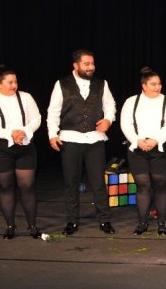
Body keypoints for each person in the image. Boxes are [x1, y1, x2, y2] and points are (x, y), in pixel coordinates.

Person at [47, 49, 117, 235]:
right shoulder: (62, 84)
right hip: (70, 139)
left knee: (98, 182)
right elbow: (53, 110)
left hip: (94, 139)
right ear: (75, 65)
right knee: (71, 182)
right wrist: (52, 134)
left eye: (92, 64)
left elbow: (110, 105)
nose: (91, 67)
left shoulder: (101, 84)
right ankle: (72, 221)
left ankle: (104, 220)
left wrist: (108, 120)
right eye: (86, 64)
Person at [0, 65, 42, 239]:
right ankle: (10, 226)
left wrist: (25, 131)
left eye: (15, 82)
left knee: (27, 186)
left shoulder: (26, 97)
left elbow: (36, 118)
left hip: (25, 146)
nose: (14, 85)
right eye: (10, 82)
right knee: (5, 186)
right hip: (0, 149)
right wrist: (10, 134)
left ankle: (32, 226)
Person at [120, 67, 166, 236]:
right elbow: (125, 124)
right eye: (153, 84)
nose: (158, 87)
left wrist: (156, 140)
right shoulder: (131, 101)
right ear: (144, 85)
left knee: (160, 185)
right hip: (138, 148)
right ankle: (142, 223)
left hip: (160, 148)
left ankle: (162, 224)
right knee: (143, 185)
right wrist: (137, 141)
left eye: (159, 84)